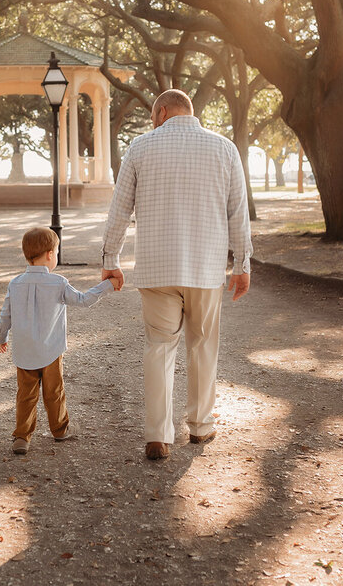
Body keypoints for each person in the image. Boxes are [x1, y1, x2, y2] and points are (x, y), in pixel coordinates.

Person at [101, 89, 252, 461]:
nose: (154, 122)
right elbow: (238, 213)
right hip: (205, 269)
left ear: (162, 112)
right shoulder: (224, 148)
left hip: (156, 269)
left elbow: (119, 210)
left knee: (159, 348)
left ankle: (158, 435)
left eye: (155, 116)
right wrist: (243, 265)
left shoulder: (140, 147)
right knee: (202, 347)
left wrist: (111, 258)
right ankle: (200, 426)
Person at [0, 227, 118, 455]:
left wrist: (1, 337)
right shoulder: (58, 283)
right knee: (54, 392)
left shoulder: (15, 283)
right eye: (57, 250)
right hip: (51, 351)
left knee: (25, 394)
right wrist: (108, 285)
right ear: (50, 254)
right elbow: (82, 300)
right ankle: (60, 429)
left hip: (24, 352)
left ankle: (22, 437)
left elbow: (6, 315)